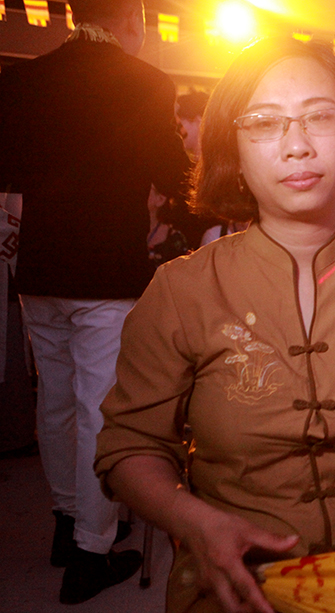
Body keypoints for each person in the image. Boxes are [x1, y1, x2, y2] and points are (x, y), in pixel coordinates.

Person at [93, 37, 335, 613]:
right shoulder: (182, 290)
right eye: (265, 123)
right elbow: (129, 446)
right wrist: (194, 523)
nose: (297, 145)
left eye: (321, 117)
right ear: (234, 151)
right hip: (238, 584)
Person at [0, 0, 191, 603]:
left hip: (42, 265)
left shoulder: (26, 76)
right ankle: (90, 550)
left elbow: (10, 164)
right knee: (99, 411)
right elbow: (173, 167)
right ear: (131, 21)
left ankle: (64, 522)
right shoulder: (146, 83)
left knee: (54, 400)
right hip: (105, 269)